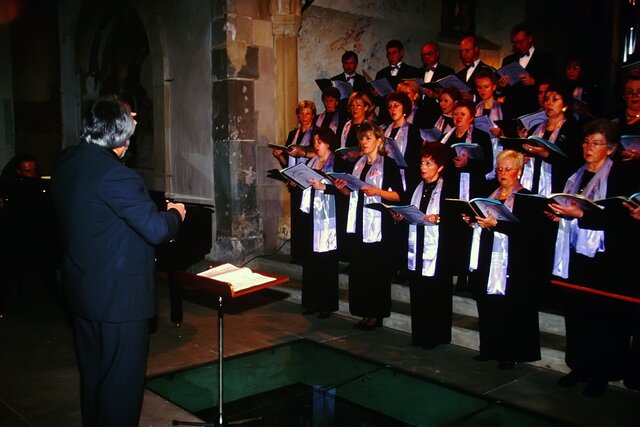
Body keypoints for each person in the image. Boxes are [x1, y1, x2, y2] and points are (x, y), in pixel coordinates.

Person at [51, 96, 186, 426]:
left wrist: (119, 115)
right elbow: (156, 230)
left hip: (84, 289)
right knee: (120, 387)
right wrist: (175, 214)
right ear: (121, 139)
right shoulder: (117, 176)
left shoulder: (69, 161)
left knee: (94, 375)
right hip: (119, 300)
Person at [549, 119, 635, 397]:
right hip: (575, 253)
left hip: (606, 258)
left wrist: (581, 215)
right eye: (586, 142)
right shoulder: (576, 175)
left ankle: (601, 373)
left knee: (604, 319)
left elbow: (622, 219)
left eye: (596, 143)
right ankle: (579, 366)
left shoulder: (621, 176)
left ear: (610, 149)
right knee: (577, 314)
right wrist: (559, 215)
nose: (588, 148)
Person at [467, 150, 541, 369]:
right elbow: (485, 223)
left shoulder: (527, 198)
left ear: (519, 171)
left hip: (513, 262)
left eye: (508, 169)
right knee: (488, 304)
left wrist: (498, 224)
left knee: (509, 308)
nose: (503, 173)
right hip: (487, 256)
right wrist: (473, 221)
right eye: (499, 169)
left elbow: (529, 233)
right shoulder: (489, 195)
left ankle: (510, 352)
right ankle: (489, 348)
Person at [333, 122, 403, 331]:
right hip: (359, 224)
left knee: (376, 271)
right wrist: (342, 189)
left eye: (368, 138)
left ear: (379, 141)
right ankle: (364, 311)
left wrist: (377, 192)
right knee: (361, 271)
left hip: (379, 225)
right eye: (362, 138)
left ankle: (377, 314)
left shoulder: (388, 164)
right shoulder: (358, 164)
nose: (364, 142)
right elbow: (352, 194)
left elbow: (398, 195)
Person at [396, 142, 457, 349]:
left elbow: (457, 219)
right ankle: (420, 333)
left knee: (436, 292)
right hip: (417, 245)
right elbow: (408, 209)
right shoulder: (417, 186)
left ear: (440, 167)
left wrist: (440, 218)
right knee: (418, 290)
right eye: (422, 162)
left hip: (439, 249)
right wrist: (399, 215)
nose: (423, 167)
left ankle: (436, 335)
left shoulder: (448, 188)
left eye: (428, 163)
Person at [299, 127, 340, 319]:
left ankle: (326, 304)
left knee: (326, 262)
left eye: (319, 141)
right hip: (311, 217)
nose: (316, 145)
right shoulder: (311, 162)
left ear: (328, 143)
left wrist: (323, 186)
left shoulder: (337, 161)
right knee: (311, 261)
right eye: (314, 142)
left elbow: (343, 190)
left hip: (329, 217)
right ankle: (312, 301)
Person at [272, 100, 317, 263]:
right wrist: (280, 156)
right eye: (301, 113)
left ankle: (309, 254)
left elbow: (318, 158)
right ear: (297, 115)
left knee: (308, 219)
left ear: (313, 115)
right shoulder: (293, 134)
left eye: (307, 113)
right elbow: (287, 163)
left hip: (310, 182)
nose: (304, 116)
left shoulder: (316, 133)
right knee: (297, 219)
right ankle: (298, 254)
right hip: (294, 184)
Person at [521, 83, 582, 195]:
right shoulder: (535, 129)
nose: (549, 103)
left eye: (555, 99)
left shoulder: (573, 129)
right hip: (531, 184)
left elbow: (574, 162)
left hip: (557, 186)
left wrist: (547, 154)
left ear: (565, 105)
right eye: (547, 99)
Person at [499, 23, 557, 119]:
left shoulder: (546, 58)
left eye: (521, 41)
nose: (518, 45)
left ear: (530, 38)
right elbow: (502, 91)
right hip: (512, 111)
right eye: (515, 43)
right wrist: (502, 85)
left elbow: (553, 83)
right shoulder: (508, 60)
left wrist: (535, 82)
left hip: (535, 110)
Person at [374, 40, 422, 124]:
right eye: (389, 53)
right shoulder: (381, 73)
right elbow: (377, 101)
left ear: (401, 53)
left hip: (405, 115)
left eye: (394, 53)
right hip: (385, 115)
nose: (391, 56)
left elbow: (418, 96)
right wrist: (376, 94)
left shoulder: (413, 72)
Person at [418, 41, 456, 128]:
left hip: (437, 114)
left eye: (429, 54)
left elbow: (452, 96)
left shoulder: (447, 72)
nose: (426, 57)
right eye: (424, 55)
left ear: (437, 53)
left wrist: (436, 96)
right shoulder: (418, 72)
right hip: (419, 114)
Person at [454, 35, 495, 102]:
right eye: (461, 51)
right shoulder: (459, 74)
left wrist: (473, 98)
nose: (463, 54)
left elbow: (494, 95)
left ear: (476, 49)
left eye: (467, 50)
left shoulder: (488, 70)